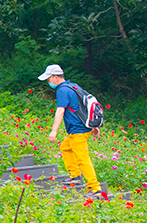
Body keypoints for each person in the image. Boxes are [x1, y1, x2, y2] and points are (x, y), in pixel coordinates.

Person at [38, 64, 101, 194]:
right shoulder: (74, 86)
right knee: (65, 147)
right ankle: (75, 175)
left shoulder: (62, 90)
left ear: (55, 77)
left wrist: (54, 131)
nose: (49, 82)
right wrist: (93, 126)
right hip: (81, 128)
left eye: (49, 79)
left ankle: (94, 187)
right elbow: (84, 107)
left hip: (78, 130)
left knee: (82, 158)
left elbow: (60, 111)